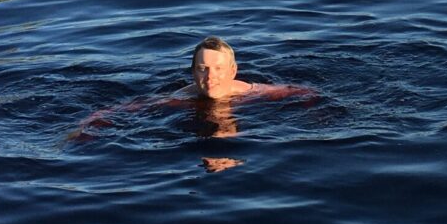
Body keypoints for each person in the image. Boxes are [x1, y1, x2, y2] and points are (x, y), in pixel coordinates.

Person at [71, 37, 317, 146]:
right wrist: (87, 127)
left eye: (219, 68)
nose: (211, 77)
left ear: (233, 70)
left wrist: (316, 112)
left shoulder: (255, 92)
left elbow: (302, 93)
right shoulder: (179, 100)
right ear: (192, 72)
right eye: (203, 69)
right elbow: (120, 110)